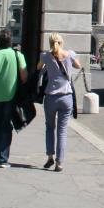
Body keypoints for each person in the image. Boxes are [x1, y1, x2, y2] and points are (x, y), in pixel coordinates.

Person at [37, 32, 82, 173]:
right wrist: (70, 58)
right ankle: (60, 162)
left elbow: (38, 68)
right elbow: (78, 66)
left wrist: (47, 65)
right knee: (62, 131)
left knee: (50, 127)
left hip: (51, 97)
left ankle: (50, 156)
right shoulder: (70, 54)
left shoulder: (45, 56)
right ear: (61, 42)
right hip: (66, 97)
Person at [0, 28, 27, 166]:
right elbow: (24, 76)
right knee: (6, 126)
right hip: (11, 96)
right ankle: (3, 158)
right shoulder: (17, 55)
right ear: (10, 41)